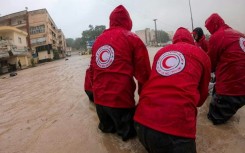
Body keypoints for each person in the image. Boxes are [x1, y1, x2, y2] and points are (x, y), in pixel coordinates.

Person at [134, 27, 211, 153]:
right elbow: (203, 94)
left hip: (140, 123)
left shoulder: (160, 52)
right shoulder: (202, 55)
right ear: (190, 39)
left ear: (174, 39)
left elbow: (154, 81)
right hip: (175, 133)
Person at [89, 5, 151, 141]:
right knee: (129, 140)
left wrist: (97, 95)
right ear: (128, 21)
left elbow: (91, 73)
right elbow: (144, 75)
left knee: (107, 138)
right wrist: (144, 102)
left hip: (100, 104)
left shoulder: (97, 41)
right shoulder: (132, 39)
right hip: (121, 102)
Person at [205, 13, 245, 125]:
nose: (209, 32)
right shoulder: (240, 35)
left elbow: (210, 64)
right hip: (241, 88)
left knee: (213, 122)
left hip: (230, 89)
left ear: (213, 25)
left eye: (209, 29)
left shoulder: (217, 36)